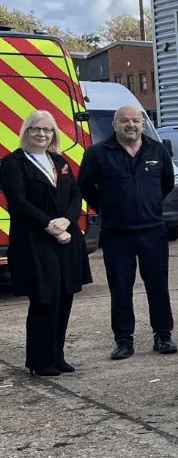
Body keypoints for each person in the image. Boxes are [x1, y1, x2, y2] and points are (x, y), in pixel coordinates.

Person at [79, 105, 177, 359]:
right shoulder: (98, 153)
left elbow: (166, 183)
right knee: (120, 289)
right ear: (114, 125)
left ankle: (163, 336)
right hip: (116, 233)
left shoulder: (158, 150)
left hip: (152, 231)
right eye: (125, 121)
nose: (130, 125)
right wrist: (108, 207)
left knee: (158, 286)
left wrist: (149, 204)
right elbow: (85, 187)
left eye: (135, 120)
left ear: (143, 124)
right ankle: (124, 340)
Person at [1, 110, 93, 376]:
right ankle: (40, 362)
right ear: (25, 132)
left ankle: (57, 356)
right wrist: (52, 226)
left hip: (66, 240)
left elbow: (76, 195)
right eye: (35, 129)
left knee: (64, 297)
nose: (42, 134)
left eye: (48, 130)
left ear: (54, 134)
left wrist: (66, 220)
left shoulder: (59, 161)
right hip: (35, 241)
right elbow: (18, 203)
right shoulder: (12, 162)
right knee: (44, 300)